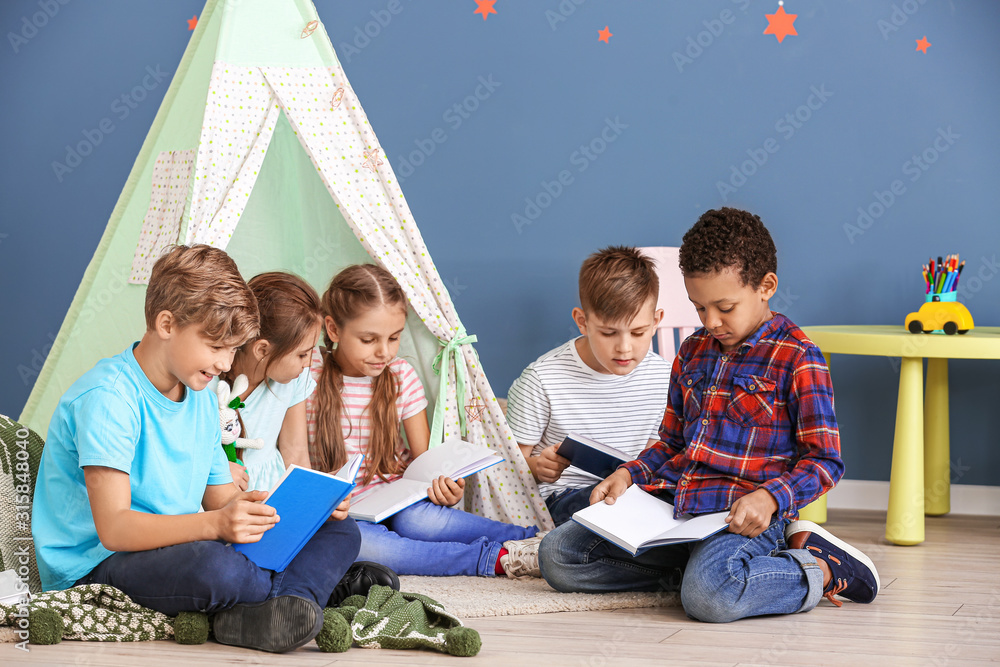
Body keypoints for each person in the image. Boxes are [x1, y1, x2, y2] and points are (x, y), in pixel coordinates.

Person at [538, 209, 880, 621]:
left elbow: (824, 462)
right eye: (699, 308)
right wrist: (629, 474)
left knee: (710, 600)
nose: (711, 322)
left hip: (740, 517)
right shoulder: (692, 352)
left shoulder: (798, 358)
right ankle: (700, 574)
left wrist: (769, 498)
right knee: (558, 555)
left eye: (724, 307)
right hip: (674, 508)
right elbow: (672, 444)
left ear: (766, 286)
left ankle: (820, 568)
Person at [32, 246, 362, 654]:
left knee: (341, 529)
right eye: (216, 346)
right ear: (167, 323)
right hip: (98, 566)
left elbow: (222, 497)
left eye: (232, 349)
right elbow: (115, 529)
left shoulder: (201, 394)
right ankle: (300, 592)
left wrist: (297, 509)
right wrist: (215, 526)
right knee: (216, 566)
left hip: (177, 544)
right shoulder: (109, 399)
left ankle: (275, 607)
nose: (226, 364)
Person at [306, 264, 541, 578]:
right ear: (333, 329)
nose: (384, 352)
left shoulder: (400, 375)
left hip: (395, 500)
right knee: (366, 547)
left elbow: (423, 464)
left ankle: (532, 541)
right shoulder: (307, 372)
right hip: (340, 513)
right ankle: (493, 559)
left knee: (420, 522)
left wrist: (444, 487)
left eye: (393, 338)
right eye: (368, 339)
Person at [215, 271, 398, 589]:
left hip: (277, 506)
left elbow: (296, 452)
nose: (309, 362)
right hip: (227, 510)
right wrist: (217, 471)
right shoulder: (210, 385)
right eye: (302, 354)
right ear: (261, 349)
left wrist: (319, 501)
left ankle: (294, 588)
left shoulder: (292, 381)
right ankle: (302, 589)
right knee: (226, 561)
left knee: (344, 531)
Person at [505, 246, 672, 526]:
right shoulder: (541, 378)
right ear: (582, 322)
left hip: (632, 491)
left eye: (639, 332)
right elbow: (509, 468)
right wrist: (538, 467)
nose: (624, 348)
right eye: (609, 333)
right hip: (564, 498)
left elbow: (656, 455)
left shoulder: (665, 376)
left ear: (656, 322)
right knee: (607, 507)